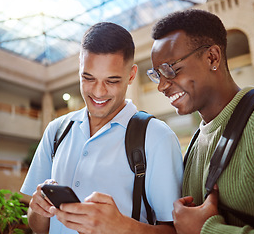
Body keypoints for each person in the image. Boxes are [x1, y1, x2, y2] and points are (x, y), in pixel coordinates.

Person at [148, 9, 254, 234]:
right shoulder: (195, 144)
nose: (161, 86)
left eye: (171, 69)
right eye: (156, 75)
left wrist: (208, 231)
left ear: (212, 57)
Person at [21, 22, 183, 234]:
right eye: (88, 78)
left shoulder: (157, 137)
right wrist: (38, 210)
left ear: (131, 75)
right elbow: (38, 227)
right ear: (79, 68)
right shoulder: (56, 131)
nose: (98, 92)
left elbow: (177, 231)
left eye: (112, 81)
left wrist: (122, 227)